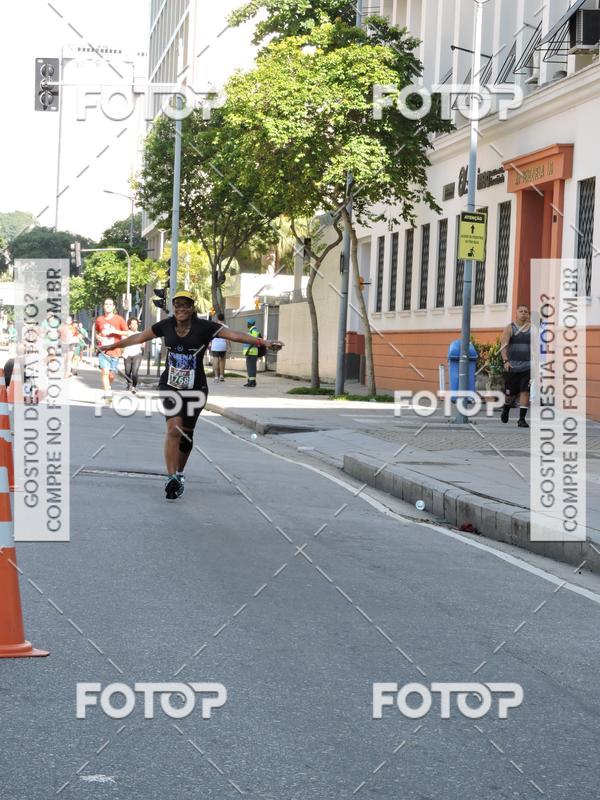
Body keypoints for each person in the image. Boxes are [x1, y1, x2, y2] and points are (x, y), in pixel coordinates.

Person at [98, 290, 284, 500]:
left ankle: (179, 473)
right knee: (173, 429)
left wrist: (264, 342)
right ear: (173, 308)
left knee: (186, 435)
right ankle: (171, 478)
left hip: (196, 388)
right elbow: (140, 336)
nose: (181, 309)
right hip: (170, 385)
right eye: (177, 305)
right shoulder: (165, 326)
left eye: (186, 305)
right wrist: (114, 345)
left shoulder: (205, 327)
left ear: (192, 307)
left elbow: (235, 335)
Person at [499, 304, 531, 428]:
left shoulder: (532, 329)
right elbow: (503, 347)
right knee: (509, 394)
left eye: (526, 311)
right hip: (512, 366)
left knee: (525, 392)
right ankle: (506, 408)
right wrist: (505, 361)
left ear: (528, 314)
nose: (523, 313)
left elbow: (535, 348)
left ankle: (521, 419)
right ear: (516, 314)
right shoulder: (510, 328)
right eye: (521, 311)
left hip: (527, 366)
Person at [94, 298, 128, 406]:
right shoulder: (99, 319)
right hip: (103, 350)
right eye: (106, 304)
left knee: (112, 375)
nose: (108, 306)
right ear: (103, 306)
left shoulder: (119, 319)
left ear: (113, 307)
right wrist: (98, 337)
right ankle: (108, 394)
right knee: (105, 372)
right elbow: (97, 332)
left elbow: (127, 332)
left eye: (110, 304)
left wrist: (114, 331)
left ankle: (108, 386)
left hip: (115, 350)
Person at [123, 317, 144, 393]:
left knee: (134, 372)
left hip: (137, 354)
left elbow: (143, 343)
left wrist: (143, 344)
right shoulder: (126, 333)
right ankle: (129, 384)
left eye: (136, 324)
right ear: (129, 326)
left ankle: (134, 386)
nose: (135, 325)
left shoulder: (140, 334)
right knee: (127, 372)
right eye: (133, 324)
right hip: (127, 355)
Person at [210, 313, 229, 383]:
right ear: (223, 318)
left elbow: (211, 336)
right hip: (223, 346)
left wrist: (210, 344)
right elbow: (228, 337)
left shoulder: (213, 326)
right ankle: (221, 376)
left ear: (217, 318)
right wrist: (229, 346)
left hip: (215, 346)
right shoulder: (226, 327)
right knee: (222, 361)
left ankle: (216, 377)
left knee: (215, 360)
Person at [243, 318, 261, 388]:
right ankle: (250, 380)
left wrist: (248, 350)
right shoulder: (251, 330)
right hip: (250, 352)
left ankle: (252, 382)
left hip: (251, 352)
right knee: (250, 367)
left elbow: (254, 340)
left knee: (251, 367)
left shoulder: (254, 331)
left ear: (250, 324)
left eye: (248, 323)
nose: (247, 324)